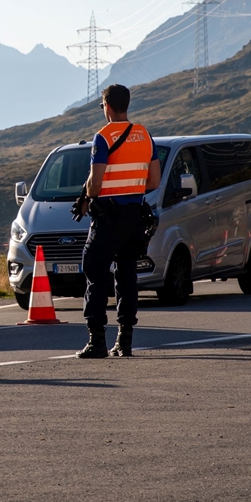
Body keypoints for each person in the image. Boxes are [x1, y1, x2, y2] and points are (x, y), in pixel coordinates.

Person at [75, 84, 161, 359]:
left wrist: (88, 194)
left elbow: (95, 184)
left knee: (95, 272)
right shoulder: (144, 135)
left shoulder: (103, 137)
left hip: (108, 218)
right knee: (127, 276)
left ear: (107, 107)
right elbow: (154, 181)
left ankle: (96, 340)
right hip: (134, 216)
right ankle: (125, 340)